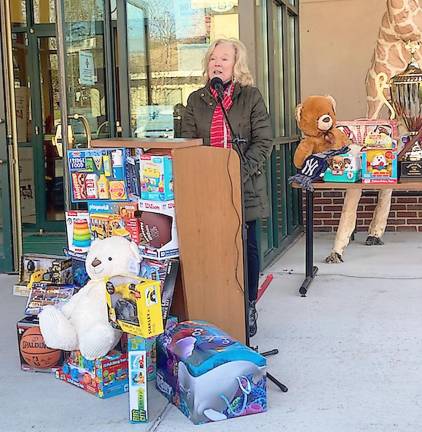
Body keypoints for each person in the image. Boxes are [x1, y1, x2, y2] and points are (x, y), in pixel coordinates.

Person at [181, 38, 273, 337]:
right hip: (207, 190)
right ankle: (213, 307)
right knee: (209, 249)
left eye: (224, 59)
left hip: (243, 187)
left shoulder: (251, 97)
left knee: (245, 251)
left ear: (236, 65)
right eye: (212, 59)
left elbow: (263, 142)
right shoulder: (196, 100)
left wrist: (236, 175)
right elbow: (187, 144)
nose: (217, 64)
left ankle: (247, 305)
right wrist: (207, 179)